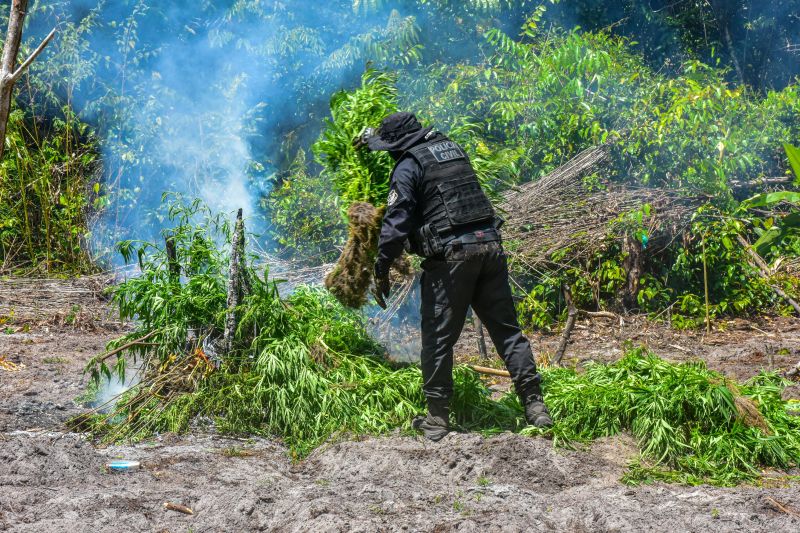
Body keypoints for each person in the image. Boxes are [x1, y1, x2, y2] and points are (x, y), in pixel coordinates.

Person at [362, 111, 553, 441]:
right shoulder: (449, 148)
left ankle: (437, 419)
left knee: (437, 338)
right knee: (507, 332)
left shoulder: (408, 165)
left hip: (453, 257)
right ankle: (536, 407)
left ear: (397, 146)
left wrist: (380, 266)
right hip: (490, 247)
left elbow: (396, 223)